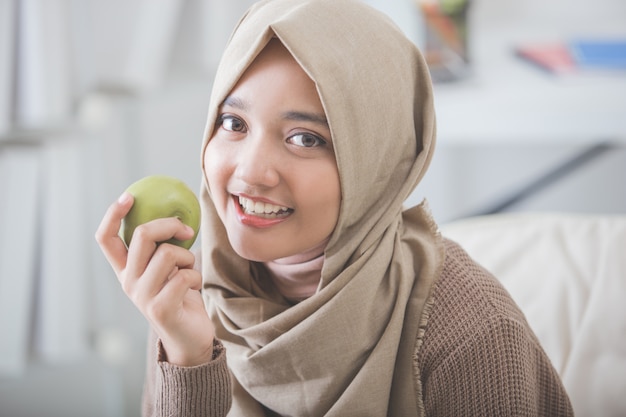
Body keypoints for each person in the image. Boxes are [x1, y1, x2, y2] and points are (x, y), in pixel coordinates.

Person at [96, 0, 575, 415]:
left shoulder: (472, 336)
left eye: (305, 138)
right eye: (233, 122)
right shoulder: (188, 300)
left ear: (378, 163)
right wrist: (187, 355)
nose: (251, 171)